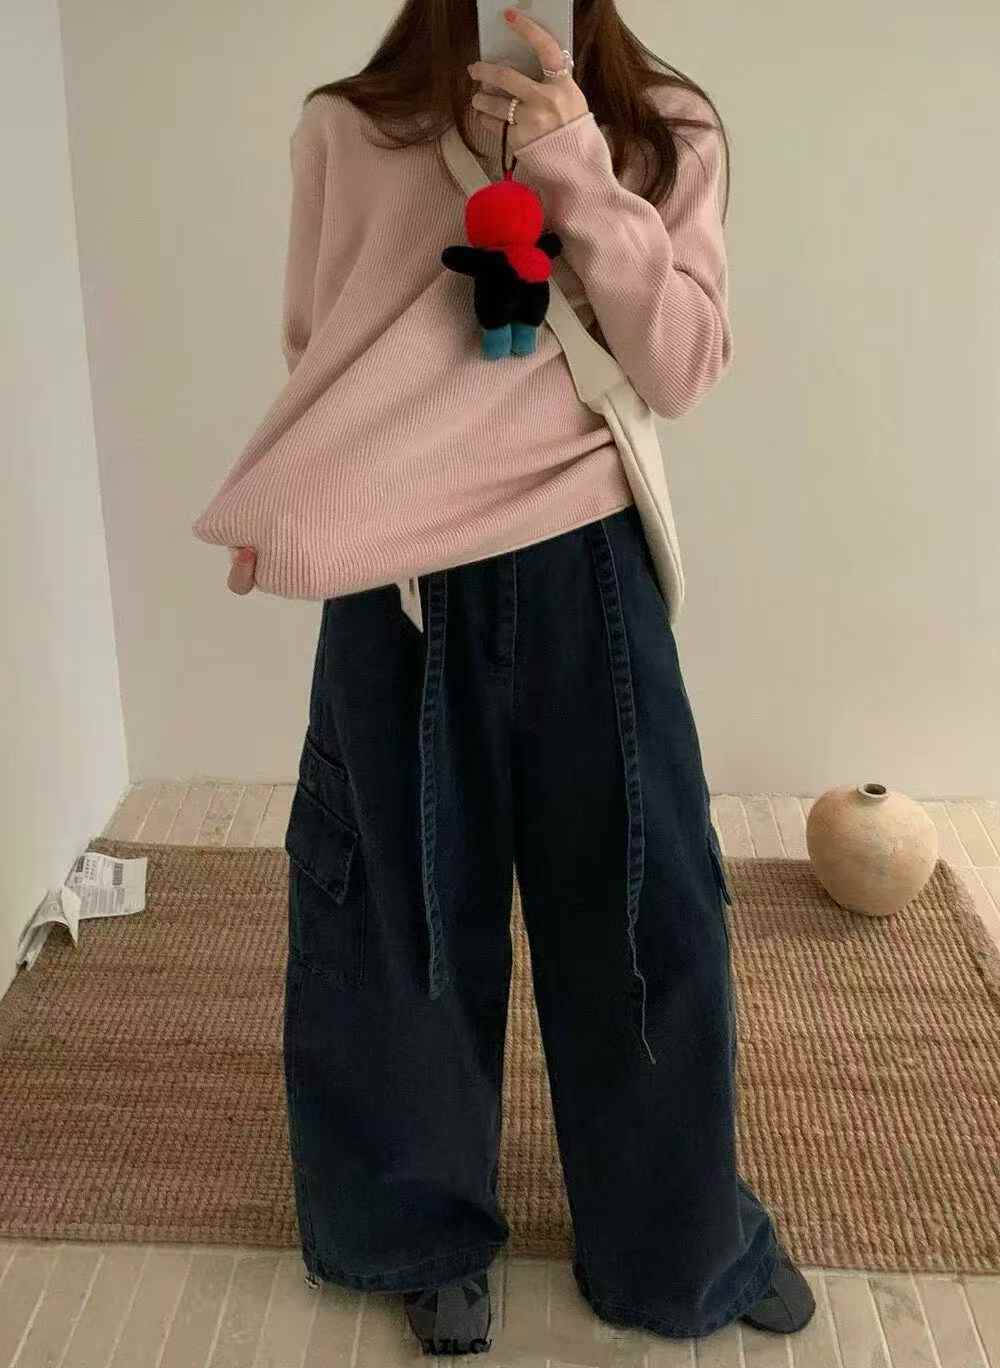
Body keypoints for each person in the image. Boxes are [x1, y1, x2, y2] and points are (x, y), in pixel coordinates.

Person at [224, 0, 815, 1354]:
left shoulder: (667, 129)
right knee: (398, 907)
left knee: (649, 909)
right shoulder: (349, 129)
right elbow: (319, 353)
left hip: (585, 555)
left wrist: (575, 172)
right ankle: (416, 1230)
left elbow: (682, 365)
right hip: (396, 567)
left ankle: (674, 1241)